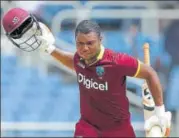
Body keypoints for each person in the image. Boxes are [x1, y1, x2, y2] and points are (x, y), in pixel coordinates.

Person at [2, 8, 171, 137]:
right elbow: (72, 61)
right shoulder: (80, 59)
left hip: (118, 131)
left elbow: (150, 73)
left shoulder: (117, 61)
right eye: (80, 43)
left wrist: (159, 112)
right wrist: (49, 49)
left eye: (90, 43)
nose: (84, 48)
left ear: (100, 40)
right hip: (87, 127)